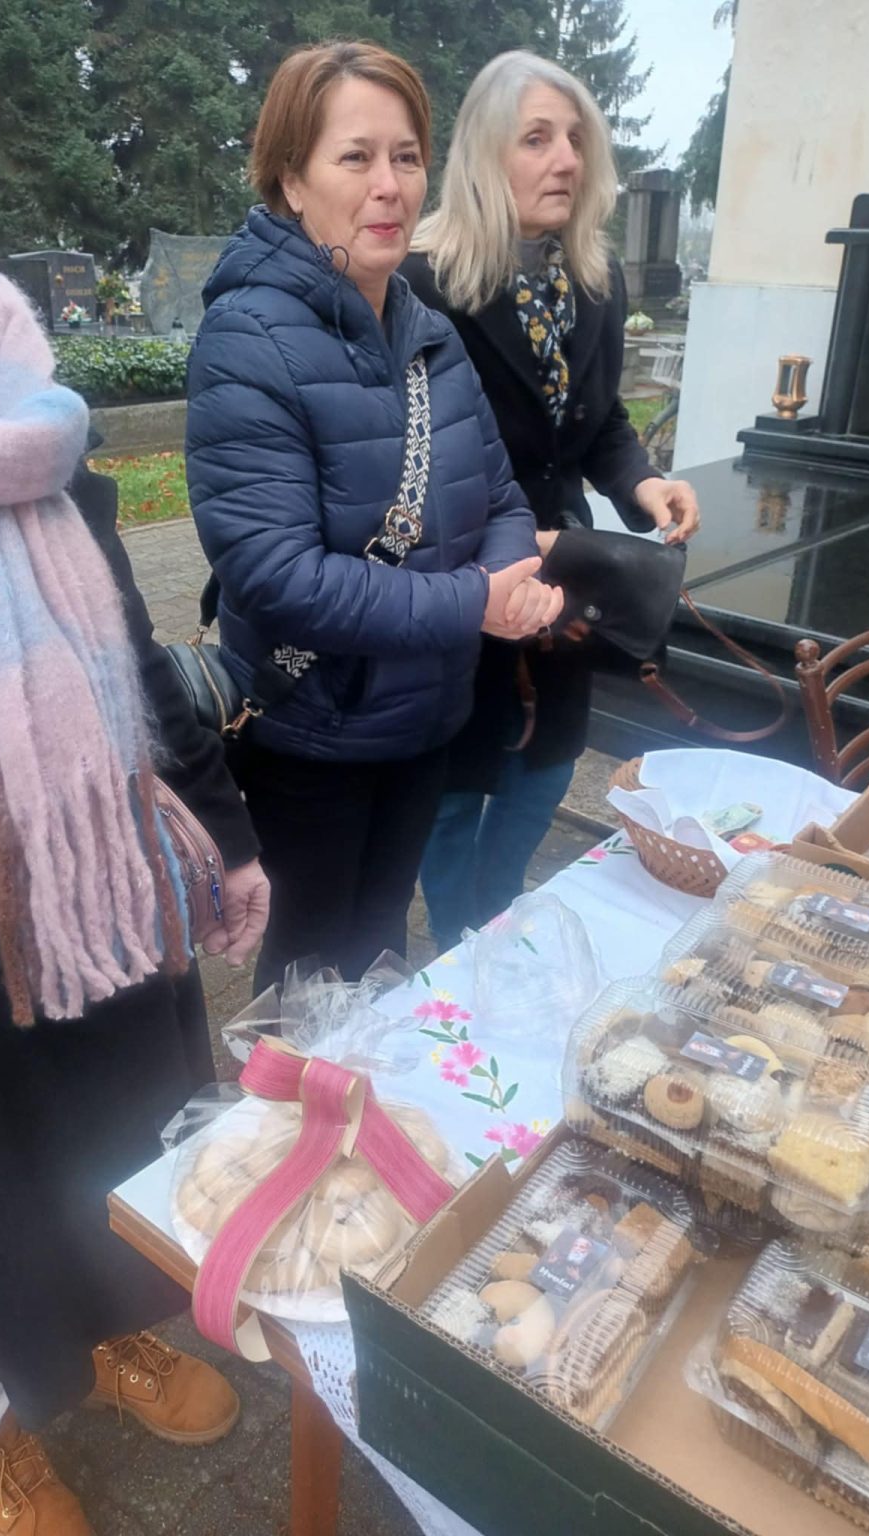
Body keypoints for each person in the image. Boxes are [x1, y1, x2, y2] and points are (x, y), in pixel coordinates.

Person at [0, 4, 271, 1531]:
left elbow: (130, 643)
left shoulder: (25, 396)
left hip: (80, 896)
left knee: (101, 1144)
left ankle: (100, 1337)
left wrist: (219, 825)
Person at [186, 41, 562, 995]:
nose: (389, 185)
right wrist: (473, 604)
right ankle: (283, 1098)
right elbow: (276, 574)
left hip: (424, 722)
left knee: (383, 952)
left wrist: (509, 583)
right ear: (291, 180)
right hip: (314, 734)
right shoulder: (247, 339)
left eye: (406, 157)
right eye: (355, 157)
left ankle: (358, 1092)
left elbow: (502, 496)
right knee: (308, 978)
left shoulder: (427, 333)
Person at [405, 52, 702, 951]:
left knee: (544, 769)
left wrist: (645, 483)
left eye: (575, 138)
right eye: (537, 138)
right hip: (462, 575)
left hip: (566, 573)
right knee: (454, 788)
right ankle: (457, 938)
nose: (567, 159)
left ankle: (498, 919)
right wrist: (496, 544)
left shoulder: (593, 281)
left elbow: (599, 422)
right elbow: (401, 458)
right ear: (486, 154)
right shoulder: (421, 284)